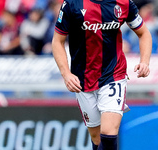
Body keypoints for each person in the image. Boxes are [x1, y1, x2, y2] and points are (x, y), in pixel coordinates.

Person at [52, 0, 152, 149]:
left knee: (108, 133)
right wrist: (66, 73)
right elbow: (57, 41)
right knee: (97, 137)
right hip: (83, 79)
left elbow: (144, 33)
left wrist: (144, 61)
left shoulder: (123, 3)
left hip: (113, 75)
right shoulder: (72, 4)